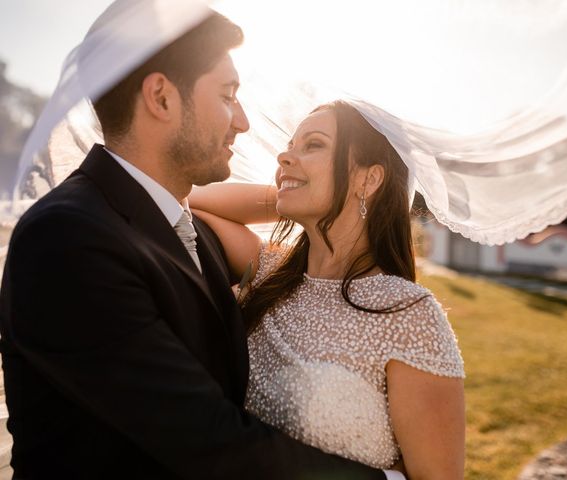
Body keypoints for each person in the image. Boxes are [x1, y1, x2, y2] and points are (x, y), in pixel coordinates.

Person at [0, 5, 390, 479]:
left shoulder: (191, 229)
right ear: (161, 97)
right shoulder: (66, 238)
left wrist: (325, 193)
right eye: (228, 96)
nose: (242, 122)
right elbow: (205, 441)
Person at [189, 100, 466, 480]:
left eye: (313, 145)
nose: (285, 156)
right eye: (290, 145)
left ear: (369, 179)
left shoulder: (408, 314)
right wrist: (294, 191)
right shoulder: (269, 272)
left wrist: (308, 191)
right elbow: (188, 202)